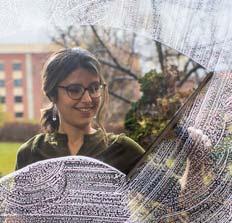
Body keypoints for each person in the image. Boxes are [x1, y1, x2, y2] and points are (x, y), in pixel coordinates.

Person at [15, 47, 145, 174]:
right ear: (52, 94)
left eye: (94, 88)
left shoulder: (122, 149)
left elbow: (163, 190)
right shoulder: (31, 153)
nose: (88, 99)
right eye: (75, 90)